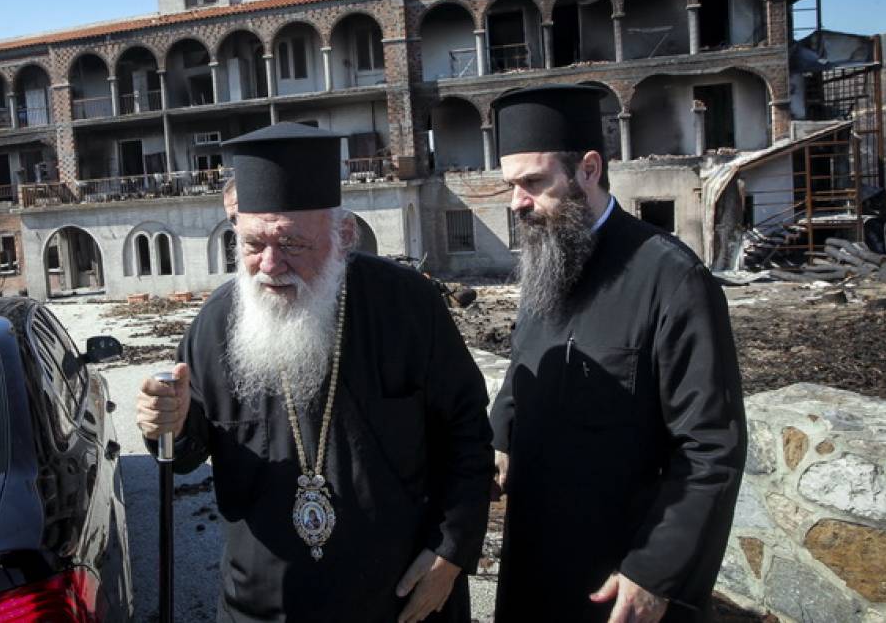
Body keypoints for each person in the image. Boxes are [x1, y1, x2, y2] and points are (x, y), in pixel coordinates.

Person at [137, 122, 493, 622]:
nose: (269, 264)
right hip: (263, 610)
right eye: (251, 244)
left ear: (343, 235)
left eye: (292, 244)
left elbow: (469, 433)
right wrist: (166, 427)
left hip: (401, 603)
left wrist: (452, 552)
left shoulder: (408, 305)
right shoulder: (216, 323)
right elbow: (187, 450)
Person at [489, 85, 747, 623]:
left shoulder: (672, 278)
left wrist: (657, 569)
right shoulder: (548, 257)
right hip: (534, 552)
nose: (518, 202)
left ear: (588, 169)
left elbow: (711, 448)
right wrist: (499, 439)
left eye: (533, 183)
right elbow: (523, 371)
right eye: (511, 185)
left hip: (620, 575)